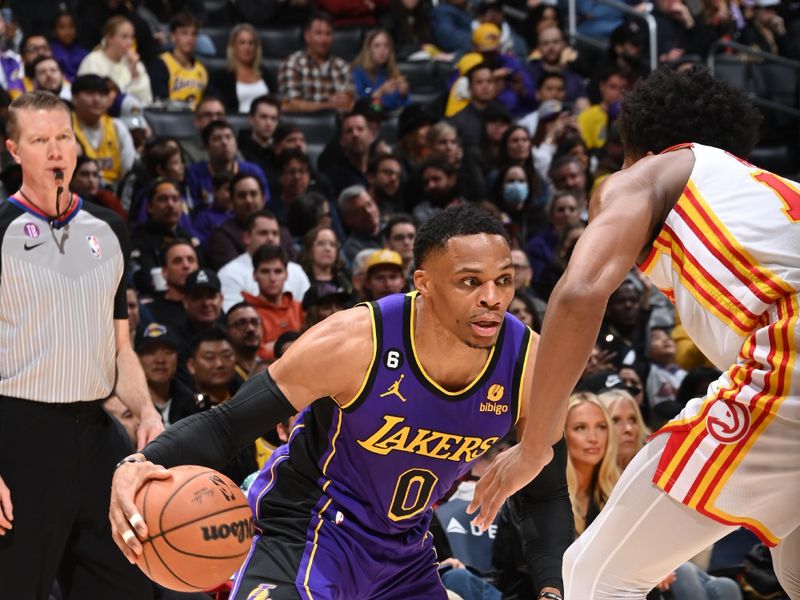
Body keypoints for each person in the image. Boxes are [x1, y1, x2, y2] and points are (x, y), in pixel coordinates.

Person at [109, 203, 570, 600]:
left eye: (503, 280)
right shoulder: (356, 341)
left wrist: (551, 588)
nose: (492, 298)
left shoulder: (528, 363)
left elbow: (545, 491)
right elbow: (229, 423)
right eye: (470, 282)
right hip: (309, 530)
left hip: (406, 550)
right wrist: (139, 461)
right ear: (424, 283)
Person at [468, 66, 800, 599]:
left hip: (788, 358)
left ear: (638, 146)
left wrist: (535, 445)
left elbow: (578, 296)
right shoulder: (766, 192)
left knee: (594, 576)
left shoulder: (650, 173)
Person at [0, 91, 163, 599]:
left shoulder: (110, 229)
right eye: (40, 140)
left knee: (131, 585)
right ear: (14, 150)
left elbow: (121, 348)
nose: (55, 151)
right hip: (19, 435)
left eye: (63, 138)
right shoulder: (1, 229)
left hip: (97, 433)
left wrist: (147, 410)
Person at [279, 12, 356, 113]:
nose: (324, 39)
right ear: (307, 36)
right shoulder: (292, 63)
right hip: (302, 124)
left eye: (328, 34)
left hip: (338, 124)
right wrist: (328, 105)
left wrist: (347, 100)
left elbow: (351, 102)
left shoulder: (343, 66)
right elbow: (290, 105)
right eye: (318, 33)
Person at [77, 15, 153, 106]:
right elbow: (85, 96)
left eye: (132, 37)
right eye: (124, 37)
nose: (130, 42)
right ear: (109, 38)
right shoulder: (93, 61)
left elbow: (146, 100)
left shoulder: (136, 64)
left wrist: (134, 72)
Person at [212, 23, 278, 114]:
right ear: (233, 47)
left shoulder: (265, 74)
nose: (247, 48)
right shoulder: (222, 77)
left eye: (251, 43)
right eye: (242, 43)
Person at [150, 11, 208, 110]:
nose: (190, 38)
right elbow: (160, 101)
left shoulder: (202, 69)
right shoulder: (161, 64)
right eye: (184, 33)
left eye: (194, 34)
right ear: (173, 37)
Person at [351, 28, 410, 112]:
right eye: (377, 46)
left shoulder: (392, 71)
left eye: (386, 46)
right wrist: (380, 91)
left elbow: (404, 104)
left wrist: (404, 94)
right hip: (373, 115)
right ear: (369, 49)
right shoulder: (359, 72)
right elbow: (363, 98)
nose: (382, 50)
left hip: (395, 116)